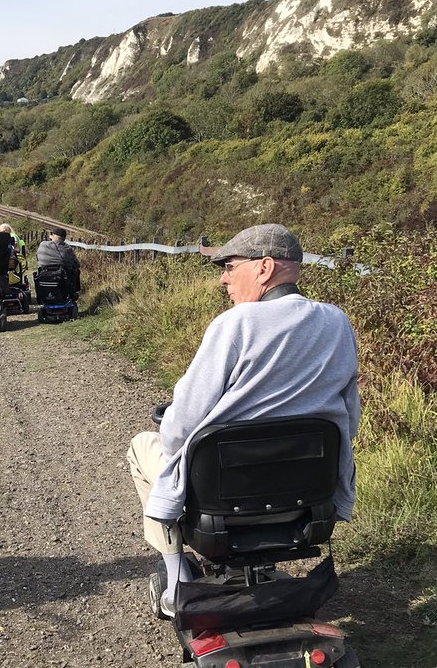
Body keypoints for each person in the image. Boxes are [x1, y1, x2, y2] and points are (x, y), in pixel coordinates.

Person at [126, 223, 360, 616]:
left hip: (222, 498)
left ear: (264, 268)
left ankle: (178, 580)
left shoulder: (234, 324)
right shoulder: (337, 322)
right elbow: (348, 418)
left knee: (143, 445)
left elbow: (184, 420)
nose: (223, 279)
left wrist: (173, 447)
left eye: (231, 267)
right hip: (305, 495)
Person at [36, 228, 80, 296]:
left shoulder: (43, 245)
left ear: (52, 236)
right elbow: (76, 264)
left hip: (45, 276)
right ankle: (73, 293)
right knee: (75, 271)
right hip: (62, 278)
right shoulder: (67, 249)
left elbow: (38, 258)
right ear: (64, 238)